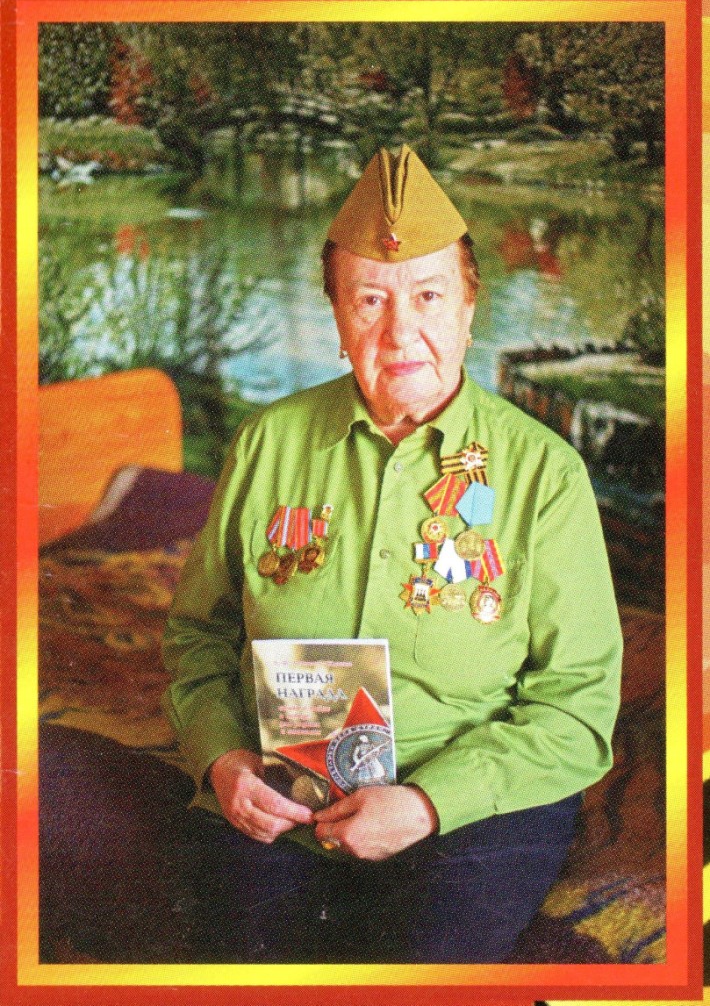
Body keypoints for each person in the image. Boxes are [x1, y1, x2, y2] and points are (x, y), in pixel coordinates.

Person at [162, 145, 623, 964]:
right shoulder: (268, 444)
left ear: (471, 308)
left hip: (472, 808)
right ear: (339, 319)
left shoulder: (545, 474)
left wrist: (428, 803)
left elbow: (577, 704)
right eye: (370, 299)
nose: (400, 330)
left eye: (429, 296)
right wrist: (222, 759)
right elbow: (199, 635)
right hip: (282, 790)